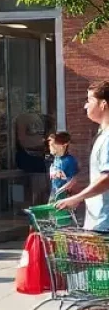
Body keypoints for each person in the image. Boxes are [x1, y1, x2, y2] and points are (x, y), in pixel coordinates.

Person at [57, 82, 109, 231]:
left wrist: (78, 197)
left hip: (105, 224)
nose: (85, 106)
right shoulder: (102, 135)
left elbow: (106, 179)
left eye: (89, 100)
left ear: (103, 104)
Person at [47, 131, 79, 202]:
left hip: (64, 199)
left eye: (52, 145)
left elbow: (73, 182)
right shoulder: (56, 159)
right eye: (49, 145)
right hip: (54, 195)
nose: (50, 147)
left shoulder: (69, 161)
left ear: (63, 145)